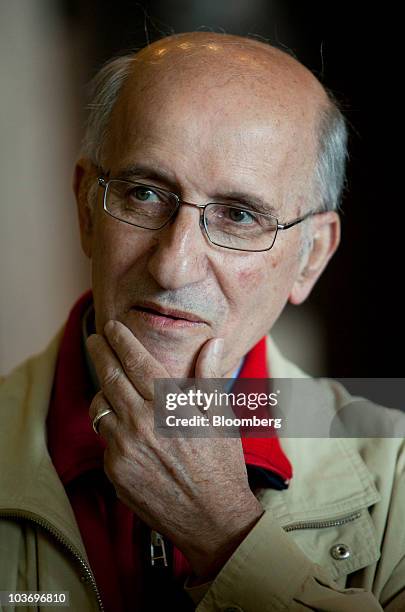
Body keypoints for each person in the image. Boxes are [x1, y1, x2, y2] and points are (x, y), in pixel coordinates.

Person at [0, 31, 404, 612]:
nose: (172, 265)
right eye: (144, 194)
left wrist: (228, 539)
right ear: (87, 207)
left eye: (239, 215)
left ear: (311, 257)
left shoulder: (398, 478)